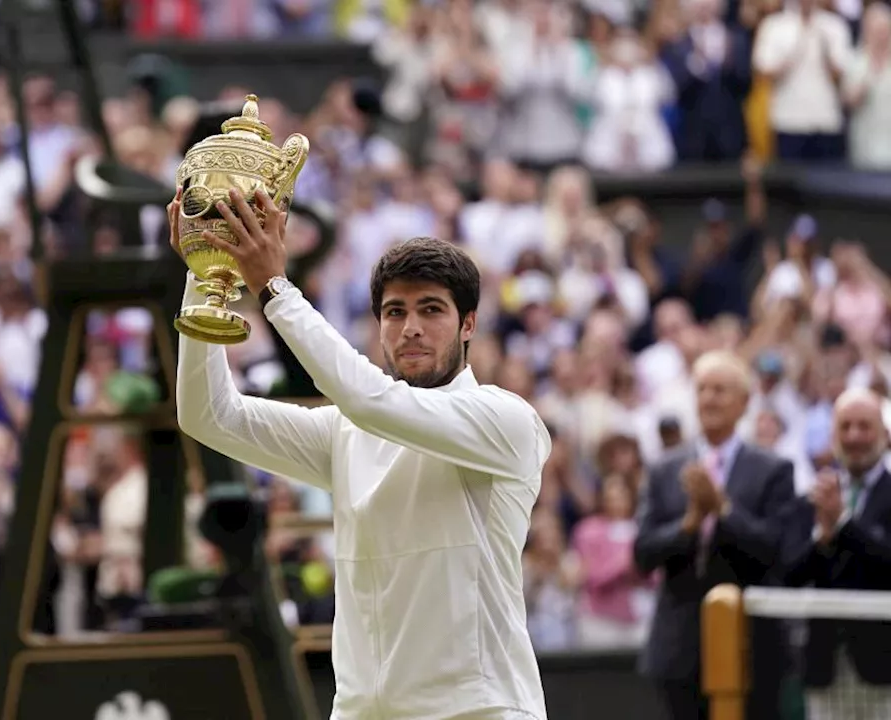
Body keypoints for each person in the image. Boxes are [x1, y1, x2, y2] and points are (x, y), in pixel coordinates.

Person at [171, 186, 551, 720]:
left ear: (468, 325)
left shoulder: (507, 421)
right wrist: (205, 271)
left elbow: (370, 401)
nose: (411, 327)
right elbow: (209, 414)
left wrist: (275, 288)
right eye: (395, 312)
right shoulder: (346, 431)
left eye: (431, 310)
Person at [634, 350, 794, 720]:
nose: (709, 398)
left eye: (720, 390)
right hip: (678, 649)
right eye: (702, 389)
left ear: (744, 402)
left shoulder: (773, 470)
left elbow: (776, 551)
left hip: (752, 647)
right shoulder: (664, 469)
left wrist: (723, 509)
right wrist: (688, 523)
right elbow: (643, 554)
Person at [781, 388, 891, 720]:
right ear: (832, 436)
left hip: (884, 668)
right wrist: (823, 539)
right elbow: (788, 573)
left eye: (864, 426)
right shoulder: (813, 498)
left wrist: (843, 523)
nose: (854, 436)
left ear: (885, 435)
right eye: (845, 426)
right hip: (824, 665)